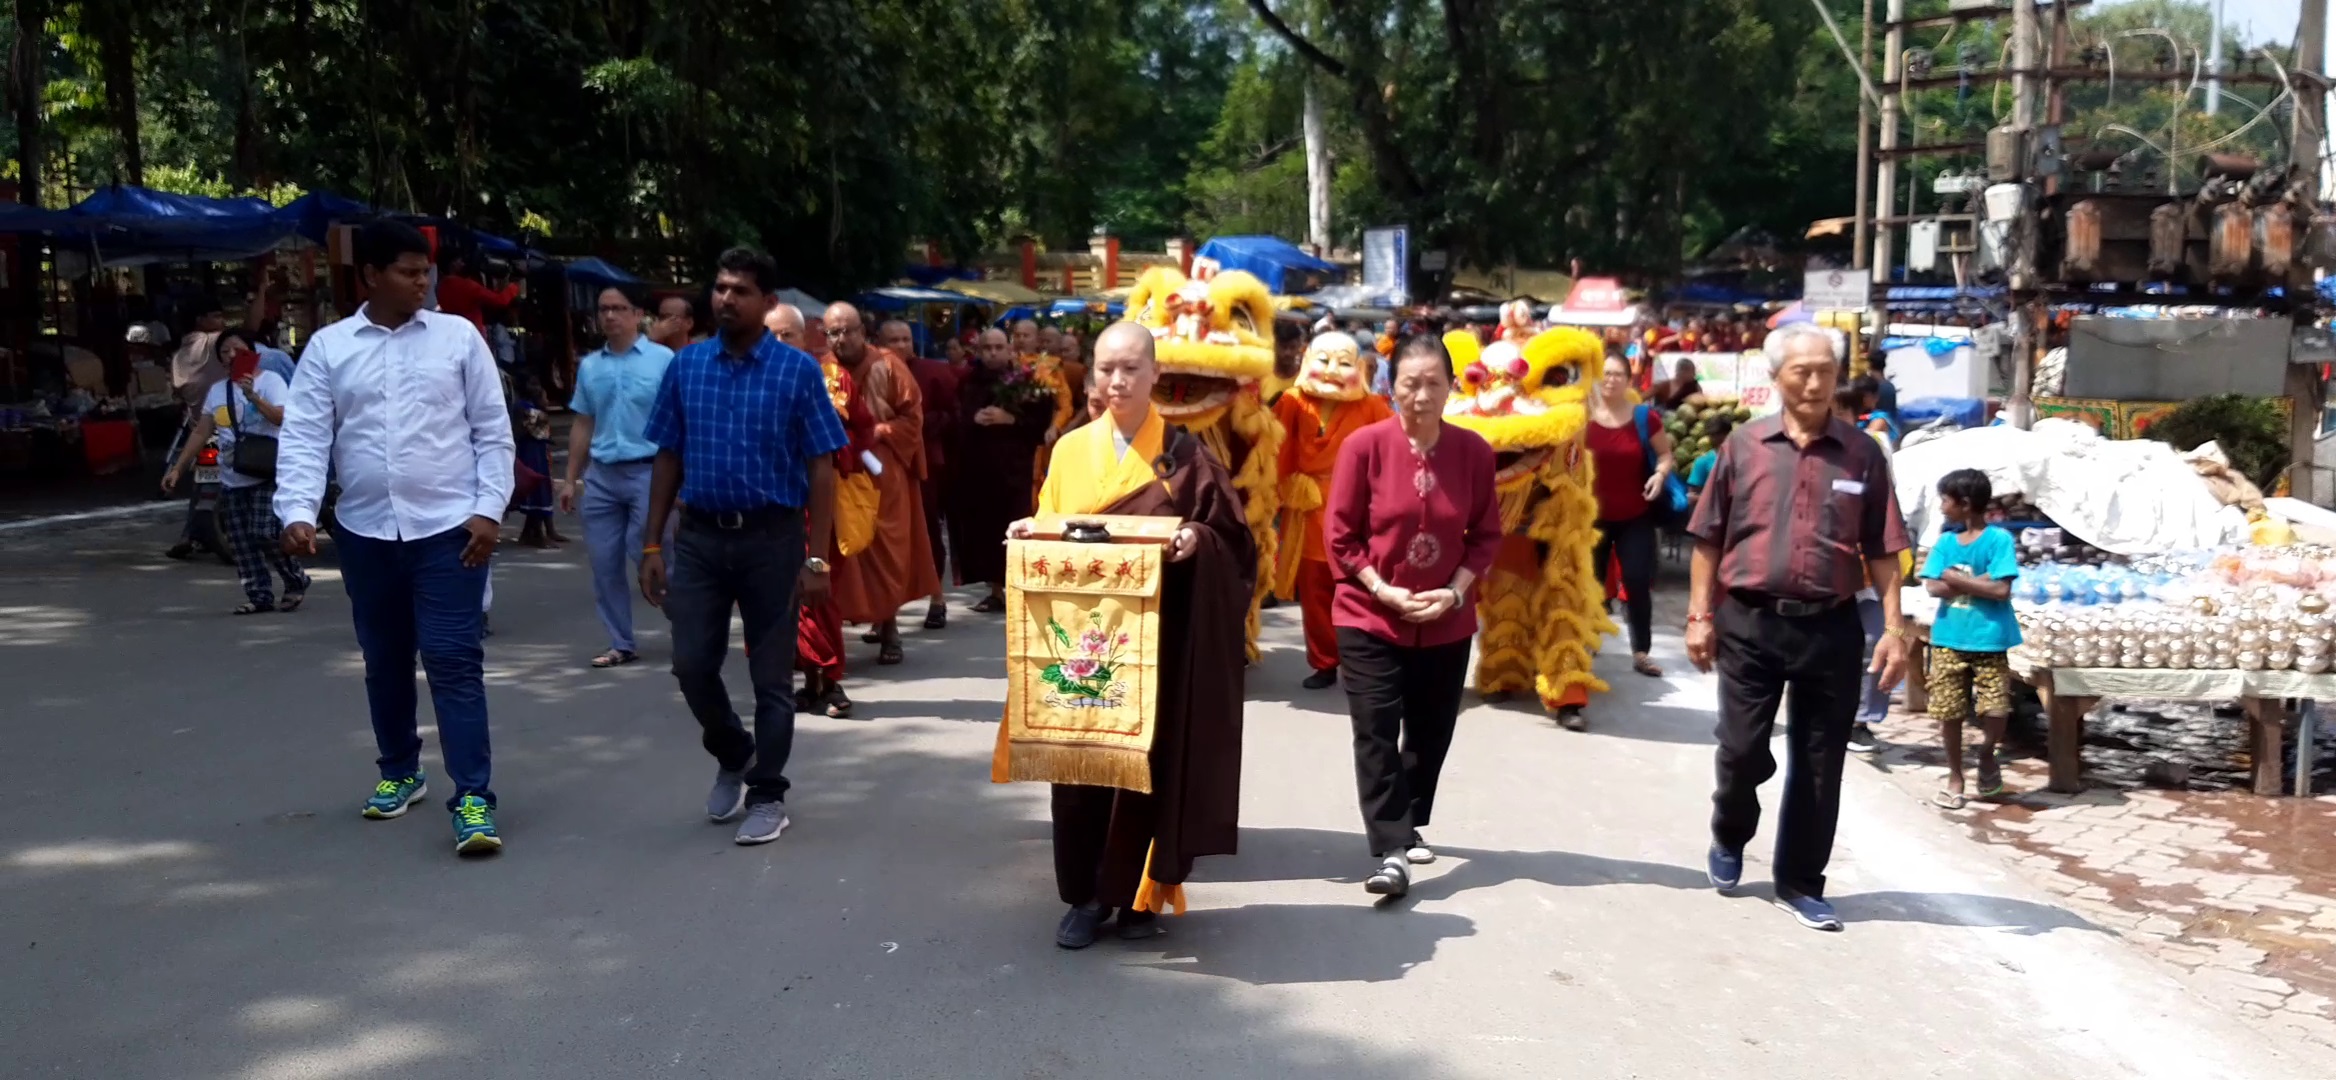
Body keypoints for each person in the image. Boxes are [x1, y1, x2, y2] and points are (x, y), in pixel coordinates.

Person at [1000, 322, 1253, 949]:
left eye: (1131, 369)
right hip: (1083, 645)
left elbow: (1235, 542)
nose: (1117, 381)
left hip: (1153, 643)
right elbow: (1056, 528)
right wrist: (1030, 531)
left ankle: (1139, 896)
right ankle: (1084, 897)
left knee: (1145, 769)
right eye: (1106, 369)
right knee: (1082, 770)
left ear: (1155, 375)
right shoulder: (1069, 450)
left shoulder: (1185, 456)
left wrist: (1200, 540)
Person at [275, 221, 516, 856]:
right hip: (365, 533)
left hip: (449, 532)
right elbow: (304, 436)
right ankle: (400, 771)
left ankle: (472, 799)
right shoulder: (329, 349)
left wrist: (489, 511)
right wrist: (297, 510)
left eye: (425, 271)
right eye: (409, 272)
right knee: (384, 660)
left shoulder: (458, 338)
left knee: (453, 662)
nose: (423, 282)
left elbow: (493, 431)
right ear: (371, 277)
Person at [1685, 323, 1910, 932]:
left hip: (1830, 628)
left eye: (1825, 371)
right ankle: (1730, 831)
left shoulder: (1863, 454)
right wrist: (1700, 616)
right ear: (1777, 377)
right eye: (1801, 371)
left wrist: (1895, 627)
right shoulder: (1743, 446)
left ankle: (1801, 882)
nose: (1814, 382)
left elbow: (1884, 547)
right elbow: (1707, 538)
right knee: (1741, 749)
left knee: (1820, 760)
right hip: (1749, 625)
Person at [639, 247, 847, 846]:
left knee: (771, 677)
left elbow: (822, 467)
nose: (726, 299)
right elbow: (668, 455)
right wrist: (653, 544)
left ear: (769, 303)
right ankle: (735, 750)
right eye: (721, 287)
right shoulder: (687, 367)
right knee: (691, 665)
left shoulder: (797, 371)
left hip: (772, 540)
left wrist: (816, 556)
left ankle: (767, 793)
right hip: (701, 537)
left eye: (741, 291)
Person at [1324, 335, 1502, 898]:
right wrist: (1383, 590)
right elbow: (1341, 537)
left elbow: (1486, 536)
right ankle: (1391, 849)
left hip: (1446, 618)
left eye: (1432, 383)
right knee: (1375, 727)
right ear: (1389, 386)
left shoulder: (1473, 452)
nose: (1421, 395)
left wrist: (1454, 594)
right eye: (1409, 383)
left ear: (1452, 386)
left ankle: (1411, 814)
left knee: (1431, 730)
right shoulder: (1363, 447)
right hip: (1369, 613)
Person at [560, 285, 675, 668]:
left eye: (618, 309)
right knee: (604, 562)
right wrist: (570, 477)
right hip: (603, 476)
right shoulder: (591, 366)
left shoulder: (662, 360)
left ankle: (688, 626)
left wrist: (683, 481)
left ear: (636, 313)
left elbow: (680, 421)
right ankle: (621, 641)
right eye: (603, 309)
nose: (609, 316)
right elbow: (583, 421)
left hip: (650, 473)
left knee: (652, 555)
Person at [822, 303, 941, 664]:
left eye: (849, 330)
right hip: (841, 469)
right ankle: (841, 629)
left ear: (864, 331)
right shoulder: (823, 369)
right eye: (834, 332)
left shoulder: (888, 365)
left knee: (884, 549)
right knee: (845, 548)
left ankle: (890, 629)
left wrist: (880, 429)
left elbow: (913, 416)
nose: (842, 339)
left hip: (883, 469)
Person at [1274, 331, 1392, 689]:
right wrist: (1285, 487)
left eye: (1343, 363)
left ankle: (1362, 659)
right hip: (1308, 508)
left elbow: (1390, 454)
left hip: (1356, 508)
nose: (1331, 371)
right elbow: (1276, 449)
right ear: (1308, 359)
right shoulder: (1292, 401)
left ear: (1359, 367)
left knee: (1359, 587)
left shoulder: (1371, 407)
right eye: (1323, 361)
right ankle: (1324, 661)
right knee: (1314, 589)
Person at [162, 329, 309, 614]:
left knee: (265, 532)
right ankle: (259, 595)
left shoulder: (272, 382)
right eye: (225, 352)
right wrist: (178, 468)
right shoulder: (218, 391)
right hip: (232, 475)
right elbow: (202, 430)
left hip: (267, 472)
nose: (231, 356)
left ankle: (295, 579)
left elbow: (282, 418)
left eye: (237, 350)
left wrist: (253, 396)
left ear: (252, 353)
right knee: (241, 541)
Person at [1921, 468, 2021, 809]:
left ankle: (1987, 752)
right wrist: (1981, 582)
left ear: (1964, 504)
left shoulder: (1999, 541)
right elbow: (1933, 585)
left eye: (1946, 500)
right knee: (1949, 711)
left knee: (1996, 707)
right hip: (1949, 638)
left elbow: (2002, 590)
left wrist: (1956, 579)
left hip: (1990, 640)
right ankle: (1955, 775)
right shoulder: (1946, 542)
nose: (1942, 507)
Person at [1583, 353, 1675, 682]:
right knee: (1590, 585)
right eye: (1605, 374)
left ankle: (1641, 651)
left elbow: (1665, 455)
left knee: (1637, 580)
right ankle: (1587, 642)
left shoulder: (1644, 417)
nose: (1610, 380)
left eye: (1618, 374)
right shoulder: (1581, 416)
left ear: (1628, 380)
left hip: (1635, 515)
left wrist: (1660, 475)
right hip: (1591, 518)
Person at [949, 328, 1054, 611]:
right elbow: (954, 419)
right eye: (987, 348)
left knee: (1017, 527)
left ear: (1009, 349)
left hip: (1014, 468)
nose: (993, 353)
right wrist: (974, 419)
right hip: (979, 470)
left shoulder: (1027, 382)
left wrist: (1010, 420)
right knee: (986, 531)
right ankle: (995, 590)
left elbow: (1041, 424)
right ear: (978, 352)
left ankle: (1022, 587)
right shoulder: (968, 383)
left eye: (998, 347)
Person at [884, 317, 958, 628]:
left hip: (925, 462)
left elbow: (953, 413)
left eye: (906, 339)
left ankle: (937, 598)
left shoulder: (933, 372)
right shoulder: (875, 371)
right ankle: (884, 613)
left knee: (927, 531)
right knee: (884, 539)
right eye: (894, 340)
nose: (902, 346)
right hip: (884, 465)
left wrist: (918, 425)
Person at [434, 250, 520, 338]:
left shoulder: (440, 287)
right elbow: (500, 301)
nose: (463, 264)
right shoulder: (467, 286)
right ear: (452, 264)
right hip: (474, 332)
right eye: (459, 261)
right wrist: (514, 286)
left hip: (452, 332)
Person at [1685, 415, 1732, 502]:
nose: (1717, 438)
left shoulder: (1741, 458)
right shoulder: (1703, 462)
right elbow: (1692, 496)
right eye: (1713, 435)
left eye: (1721, 434)